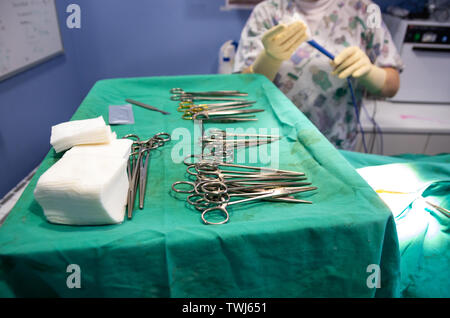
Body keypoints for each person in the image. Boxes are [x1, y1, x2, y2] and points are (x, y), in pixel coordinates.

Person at [233, 0, 403, 150]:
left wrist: (370, 72)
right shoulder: (267, 11)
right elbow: (243, 89)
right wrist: (269, 58)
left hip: (337, 147)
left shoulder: (365, 10)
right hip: (276, 143)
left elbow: (391, 86)